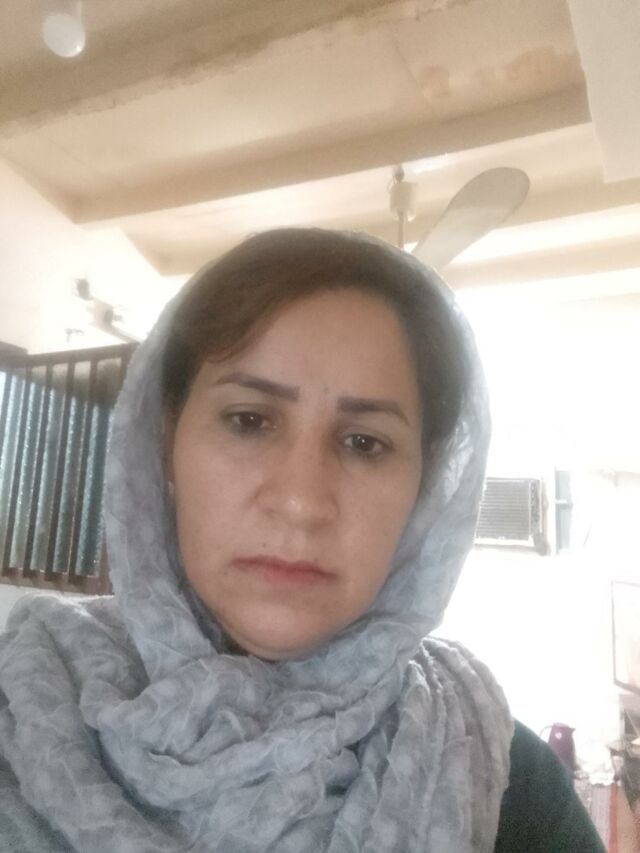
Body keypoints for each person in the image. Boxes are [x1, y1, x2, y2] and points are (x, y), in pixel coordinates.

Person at [0, 229, 604, 851]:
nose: (301, 501)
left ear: (424, 490)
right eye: (249, 420)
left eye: (364, 443)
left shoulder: (504, 784)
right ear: (164, 443)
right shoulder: (25, 700)